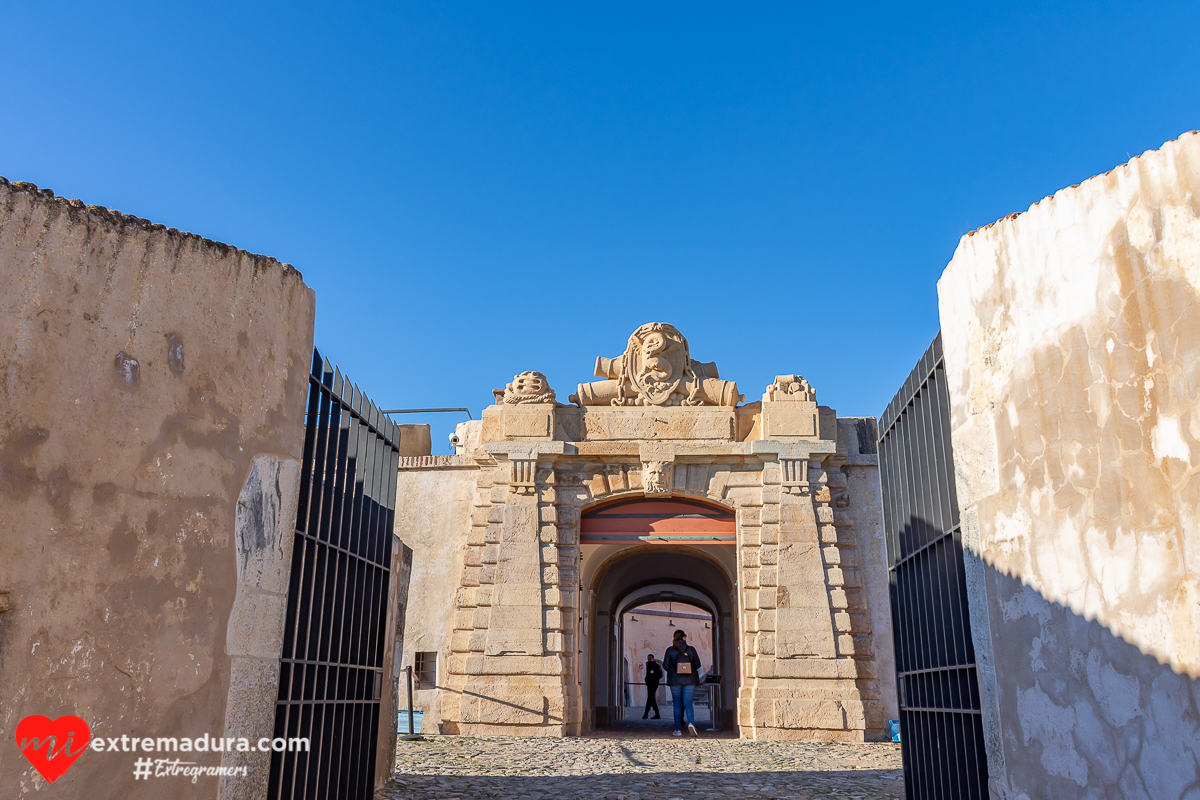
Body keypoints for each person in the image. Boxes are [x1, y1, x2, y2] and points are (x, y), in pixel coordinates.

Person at [662, 629, 701, 736]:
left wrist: (674, 669)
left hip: (675, 680)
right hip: (689, 680)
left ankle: (677, 730)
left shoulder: (670, 650)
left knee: (677, 705)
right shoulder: (691, 649)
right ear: (684, 638)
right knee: (688, 704)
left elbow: (665, 666)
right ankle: (691, 723)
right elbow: (698, 665)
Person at [642, 654, 663, 719]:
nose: (649, 660)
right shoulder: (648, 666)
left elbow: (660, 675)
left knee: (650, 698)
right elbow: (648, 674)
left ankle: (646, 713)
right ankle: (657, 714)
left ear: (653, 659)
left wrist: (654, 678)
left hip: (654, 684)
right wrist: (647, 679)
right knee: (652, 698)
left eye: (650, 659)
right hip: (649, 684)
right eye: (648, 659)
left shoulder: (656, 666)